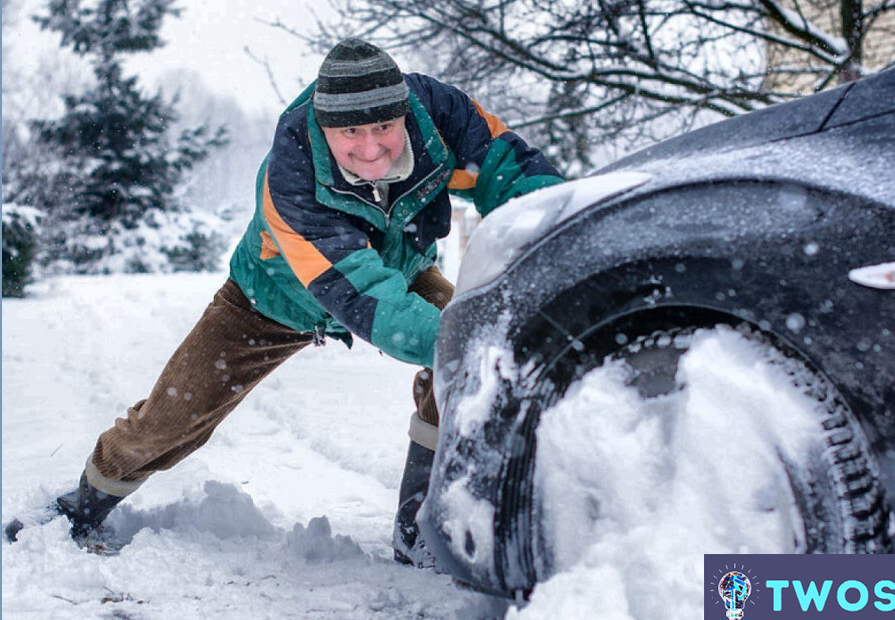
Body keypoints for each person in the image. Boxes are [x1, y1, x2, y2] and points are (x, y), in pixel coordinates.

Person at [25, 38, 565, 565]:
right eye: (351, 131)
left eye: (384, 126)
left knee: (463, 353)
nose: (372, 146)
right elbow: (364, 295)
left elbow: (520, 180)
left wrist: (571, 255)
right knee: (171, 419)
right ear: (324, 126)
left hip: (402, 268)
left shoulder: (441, 117)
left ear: (406, 112)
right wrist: (470, 341)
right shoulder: (292, 176)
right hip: (270, 299)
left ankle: (417, 527)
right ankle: (83, 506)